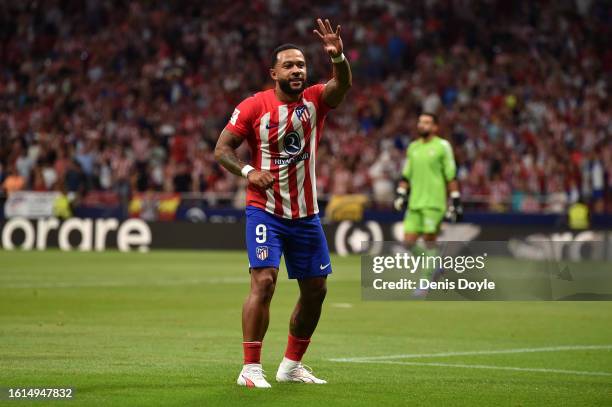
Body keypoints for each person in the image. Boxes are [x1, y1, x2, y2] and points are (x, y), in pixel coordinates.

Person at [214, 18, 351, 388]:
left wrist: (338, 57)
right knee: (264, 281)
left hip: (306, 214)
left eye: (302, 64)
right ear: (273, 72)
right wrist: (247, 172)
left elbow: (342, 87)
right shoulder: (254, 106)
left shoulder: (315, 100)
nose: (297, 70)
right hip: (266, 210)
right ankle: (250, 368)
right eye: (289, 65)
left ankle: (291, 366)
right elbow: (222, 149)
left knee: (316, 290)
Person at [393, 113, 463, 285]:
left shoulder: (442, 146)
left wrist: (455, 200)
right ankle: (435, 264)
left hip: (434, 202)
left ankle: (425, 282)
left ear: (435, 127)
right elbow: (406, 176)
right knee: (408, 242)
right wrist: (401, 194)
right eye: (420, 122)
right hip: (415, 203)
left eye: (427, 122)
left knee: (429, 241)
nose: (422, 125)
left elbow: (450, 174)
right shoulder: (413, 147)